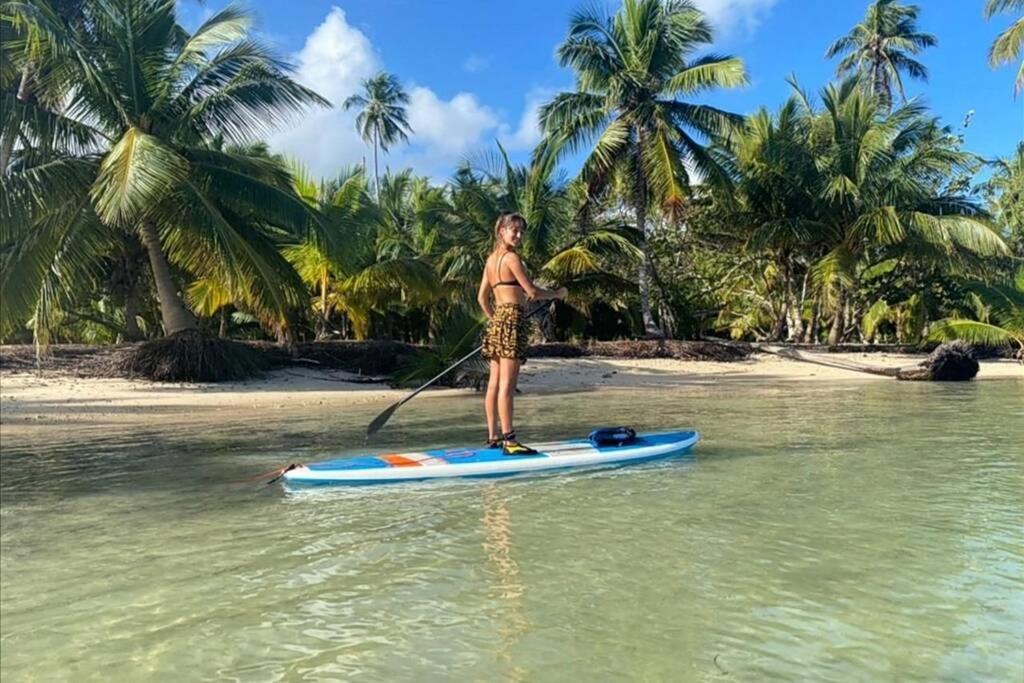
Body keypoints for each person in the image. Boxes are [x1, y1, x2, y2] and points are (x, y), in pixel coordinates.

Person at [477, 213, 567, 455]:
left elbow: (481, 298)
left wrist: (495, 319)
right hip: (512, 320)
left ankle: (493, 436)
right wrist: (557, 294)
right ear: (501, 231)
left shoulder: (490, 261)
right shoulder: (511, 259)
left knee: (494, 383)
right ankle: (510, 441)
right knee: (507, 384)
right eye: (513, 230)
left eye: (521, 232)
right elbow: (532, 292)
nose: (518, 235)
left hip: (498, 321)